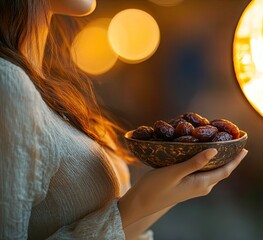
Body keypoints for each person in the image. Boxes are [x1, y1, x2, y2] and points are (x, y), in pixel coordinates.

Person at [0, 0, 248, 239]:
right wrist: (139, 202)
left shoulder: (45, 85)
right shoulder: (8, 83)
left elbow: (114, 230)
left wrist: (168, 195)